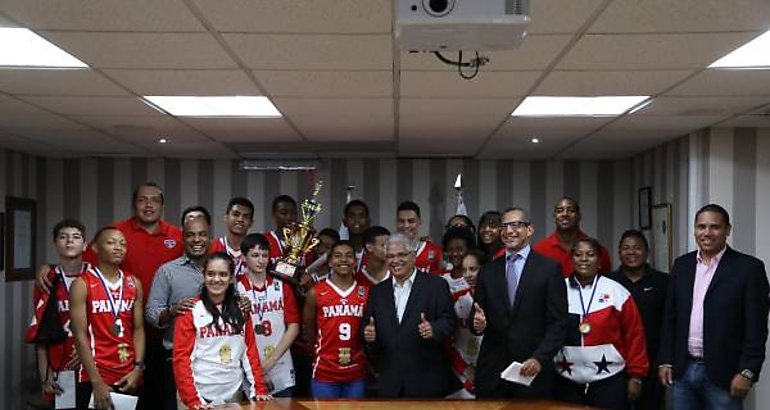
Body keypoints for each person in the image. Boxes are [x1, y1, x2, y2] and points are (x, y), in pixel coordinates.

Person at [659, 204, 770, 410]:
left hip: (725, 375)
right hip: (682, 372)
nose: (707, 233)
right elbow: (670, 317)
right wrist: (665, 360)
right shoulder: (682, 265)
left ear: (728, 230)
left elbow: (757, 327)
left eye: (714, 227)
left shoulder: (749, 269)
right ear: (695, 230)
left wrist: (748, 371)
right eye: (701, 227)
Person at [471, 207, 567, 399]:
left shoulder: (549, 269)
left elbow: (559, 323)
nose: (509, 231)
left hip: (532, 370)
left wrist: (540, 358)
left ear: (530, 230)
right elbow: (477, 316)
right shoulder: (488, 271)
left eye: (516, 225)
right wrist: (478, 324)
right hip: (493, 373)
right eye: (504, 226)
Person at [554, 238, 648, 410]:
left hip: (609, 379)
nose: (584, 259)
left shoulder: (616, 291)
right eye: (578, 254)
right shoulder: (557, 289)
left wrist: (636, 376)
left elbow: (634, 335)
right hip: (566, 379)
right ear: (571, 259)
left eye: (590, 255)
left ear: (599, 261)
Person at [362, 233, 459, 397]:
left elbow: (450, 321)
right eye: (391, 256)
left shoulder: (436, 286)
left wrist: (434, 329)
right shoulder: (378, 292)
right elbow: (367, 327)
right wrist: (369, 336)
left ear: (413, 256)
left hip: (426, 381)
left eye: (401, 255)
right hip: (390, 383)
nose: (395, 260)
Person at [173, 253, 272, 408]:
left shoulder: (241, 308)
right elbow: (182, 359)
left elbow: (250, 351)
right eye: (211, 274)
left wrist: (259, 388)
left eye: (223, 274)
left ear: (231, 277)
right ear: (204, 276)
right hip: (197, 396)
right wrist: (193, 400)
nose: (216, 279)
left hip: (233, 395)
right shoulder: (190, 311)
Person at [69, 227, 145, 410]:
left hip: (128, 374)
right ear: (95, 248)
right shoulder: (82, 284)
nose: (118, 247)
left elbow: (138, 328)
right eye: (111, 242)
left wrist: (138, 368)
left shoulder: (133, 283)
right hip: (95, 374)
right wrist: (96, 381)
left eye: (122, 243)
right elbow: (79, 336)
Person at [145, 217, 212, 410]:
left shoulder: (221, 269)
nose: (196, 240)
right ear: (183, 239)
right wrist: (171, 312)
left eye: (202, 234)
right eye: (191, 235)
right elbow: (151, 313)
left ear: (210, 238)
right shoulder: (167, 272)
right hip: (178, 360)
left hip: (217, 361)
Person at [27, 219, 90, 408]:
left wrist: (88, 351)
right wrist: (44, 374)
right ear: (55, 244)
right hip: (60, 365)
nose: (69, 241)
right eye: (63, 237)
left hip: (95, 363)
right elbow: (41, 332)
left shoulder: (96, 276)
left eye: (76, 237)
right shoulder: (47, 281)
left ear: (85, 245)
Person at [607, 230, 669, 410]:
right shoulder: (608, 282)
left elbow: (669, 323)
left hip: (653, 361)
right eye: (626, 248)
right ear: (619, 253)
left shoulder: (663, 282)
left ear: (647, 252)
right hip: (615, 362)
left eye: (637, 248)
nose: (631, 252)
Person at [236, 233, 300, 397]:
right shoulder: (236, 290)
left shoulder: (282, 286)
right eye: (255, 255)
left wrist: (270, 363)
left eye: (265, 255)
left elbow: (294, 326)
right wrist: (259, 370)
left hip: (281, 363)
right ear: (244, 257)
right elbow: (236, 334)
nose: (261, 260)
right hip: (249, 366)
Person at [303, 241, 369, 398]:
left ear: (356, 261)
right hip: (325, 371)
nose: (343, 260)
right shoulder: (316, 292)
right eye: (338, 256)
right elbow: (308, 329)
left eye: (349, 256)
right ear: (330, 262)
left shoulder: (365, 292)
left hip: (356, 371)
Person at [439, 228, 481, 399]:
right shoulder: (439, 280)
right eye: (451, 249)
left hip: (482, 358)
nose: (454, 253)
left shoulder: (482, 284)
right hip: (454, 358)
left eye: (460, 249)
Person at [533, 197, 611, 277]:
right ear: (554, 216)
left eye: (571, 210)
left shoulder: (598, 251)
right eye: (560, 211)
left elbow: (605, 284)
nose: (565, 214)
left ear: (579, 216)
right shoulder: (539, 250)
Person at [395, 201, 444, 274]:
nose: (406, 225)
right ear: (396, 223)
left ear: (419, 222)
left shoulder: (435, 251)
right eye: (401, 221)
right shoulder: (388, 251)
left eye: (411, 221)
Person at [210, 197, 255, 276]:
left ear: (251, 223)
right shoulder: (211, 247)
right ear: (226, 217)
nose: (240, 219)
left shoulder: (256, 252)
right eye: (236, 214)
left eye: (245, 216)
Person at [265, 195, 299, 265]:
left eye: (293, 213)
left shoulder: (305, 243)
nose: (289, 217)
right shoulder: (264, 240)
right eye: (284, 213)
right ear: (274, 214)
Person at [342, 199, 372, 271]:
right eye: (352, 216)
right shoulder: (339, 251)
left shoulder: (374, 251)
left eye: (361, 216)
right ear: (344, 221)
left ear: (368, 221)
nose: (356, 220)